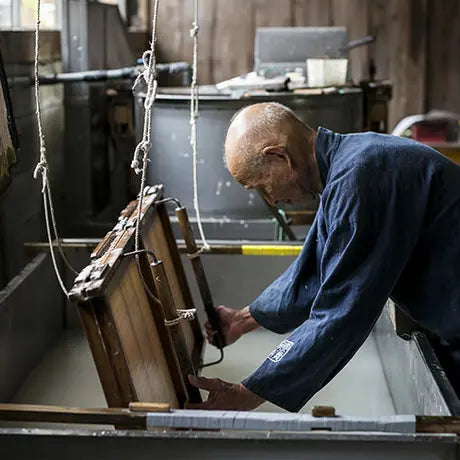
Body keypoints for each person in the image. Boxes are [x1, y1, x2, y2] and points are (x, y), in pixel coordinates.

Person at [186, 102, 460, 413]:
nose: (271, 199)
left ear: (279, 156)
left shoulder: (361, 177)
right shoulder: (344, 169)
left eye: (263, 186)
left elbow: (341, 312)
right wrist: (244, 319)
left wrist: (250, 391)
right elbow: (314, 273)